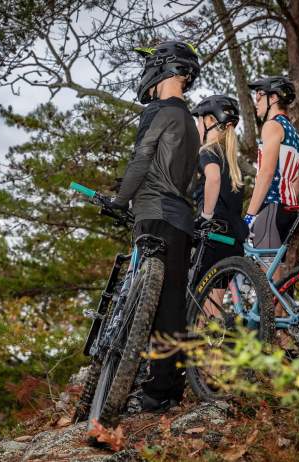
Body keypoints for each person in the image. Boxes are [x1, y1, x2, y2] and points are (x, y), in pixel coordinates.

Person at [112, 41, 201, 412]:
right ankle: (162, 393)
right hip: (181, 219)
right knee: (171, 306)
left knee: (142, 299)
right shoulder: (192, 123)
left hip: (152, 210)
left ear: (164, 68)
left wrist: (119, 200)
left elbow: (142, 158)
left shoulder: (158, 111)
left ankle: (135, 384)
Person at [244, 76, 299, 280]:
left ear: (274, 97)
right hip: (289, 209)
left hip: (272, 207)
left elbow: (266, 173)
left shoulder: (272, 126)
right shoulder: (293, 132)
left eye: (259, 96)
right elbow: (295, 181)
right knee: (277, 279)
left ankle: (276, 312)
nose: (256, 102)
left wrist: (250, 216)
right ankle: (284, 312)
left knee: (268, 279)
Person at [191, 95, 248, 284]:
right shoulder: (232, 163)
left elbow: (213, 178)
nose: (197, 127)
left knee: (198, 307)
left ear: (209, 121)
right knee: (213, 309)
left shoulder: (207, 151)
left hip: (213, 236)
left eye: (198, 121)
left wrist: (206, 216)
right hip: (234, 240)